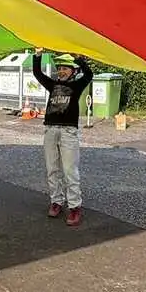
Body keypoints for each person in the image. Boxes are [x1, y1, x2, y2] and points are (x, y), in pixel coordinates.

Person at [31, 48, 93, 226]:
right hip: (50, 130)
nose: (61, 71)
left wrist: (79, 59)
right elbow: (37, 73)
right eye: (59, 68)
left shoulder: (77, 86)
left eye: (65, 68)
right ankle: (56, 201)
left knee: (69, 171)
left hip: (68, 132)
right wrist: (38, 55)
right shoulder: (52, 85)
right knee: (52, 169)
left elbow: (89, 75)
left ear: (73, 71)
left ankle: (74, 207)